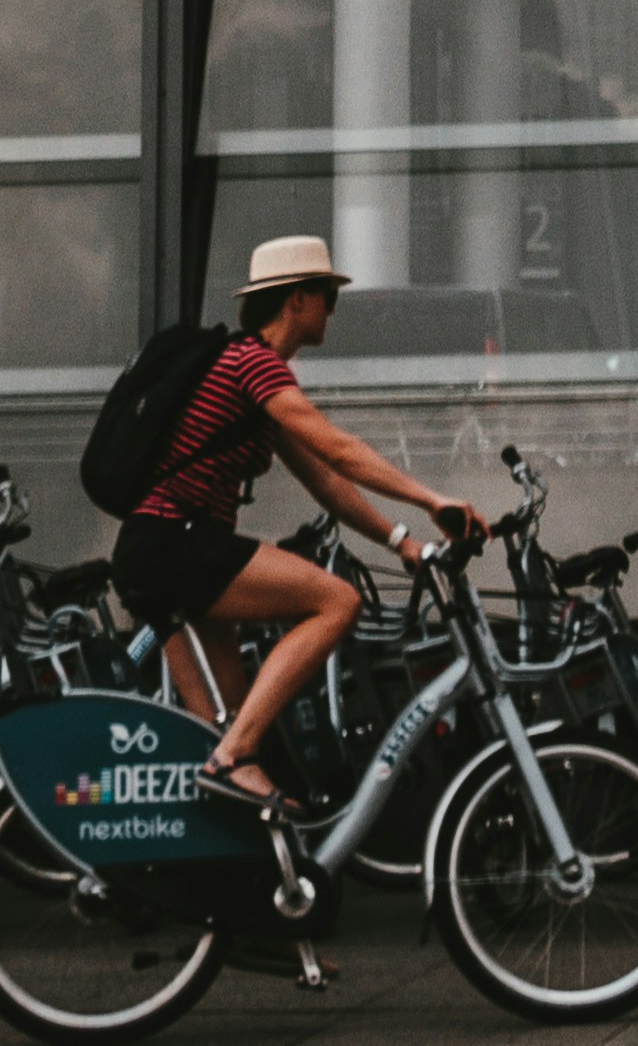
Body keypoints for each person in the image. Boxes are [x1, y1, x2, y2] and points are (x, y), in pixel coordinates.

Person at [115, 235, 483, 820]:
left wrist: (401, 540)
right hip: (175, 543)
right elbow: (340, 450)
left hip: (168, 548)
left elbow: (327, 482)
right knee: (337, 602)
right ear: (297, 300)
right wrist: (431, 498)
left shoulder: (250, 376)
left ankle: (231, 841)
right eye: (327, 297)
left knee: (232, 729)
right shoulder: (253, 364)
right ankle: (228, 761)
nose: (331, 311)